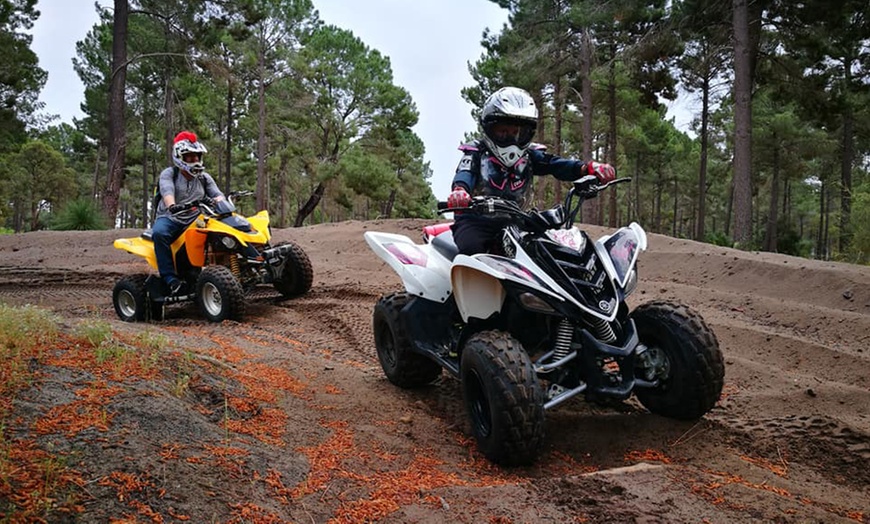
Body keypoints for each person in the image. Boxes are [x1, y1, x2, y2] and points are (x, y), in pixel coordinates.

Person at [447, 86, 616, 255]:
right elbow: (465, 172)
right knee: (472, 247)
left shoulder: (530, 156)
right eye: (503, 131)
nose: (511, 138)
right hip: (477, 222)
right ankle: (471, 280)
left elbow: (555, 164)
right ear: (490, 127)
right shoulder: (476, 152)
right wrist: (460, 191)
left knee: (549, 249)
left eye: (517, 132)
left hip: (518, 221)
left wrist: (586, 168)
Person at [152, 131, 226, 295]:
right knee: (159, 233)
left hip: (196, 219)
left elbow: (216, 193)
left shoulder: (204, 177)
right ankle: (171, 280)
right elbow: (166, 190)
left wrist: (223, 203)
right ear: (180, 157)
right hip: (171, 217)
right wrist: (172, 205)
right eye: (190, 157)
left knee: (222, 231)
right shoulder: (170, 173)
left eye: (196, 157)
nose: (194, 161)